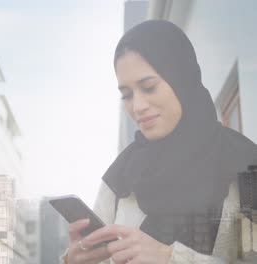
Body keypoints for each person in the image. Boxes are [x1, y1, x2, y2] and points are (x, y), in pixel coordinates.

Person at [62, 20, 257, 264]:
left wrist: (171, 258)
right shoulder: (121, 174)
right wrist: (73, 260)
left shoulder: (245, 165)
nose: (138, 106)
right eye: (127, 95)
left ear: (181, 79)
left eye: (148, 87)